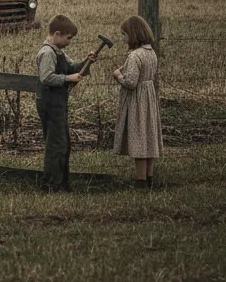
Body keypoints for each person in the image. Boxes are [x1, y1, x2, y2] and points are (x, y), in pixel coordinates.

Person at [36, 15, 98, 192]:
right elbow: (46, 78)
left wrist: (87, 62)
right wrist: (68, 79)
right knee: (56, 144)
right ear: (57, 34)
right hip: (49, 103)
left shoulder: (58, 51)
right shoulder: (48, 53)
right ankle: (51, 185)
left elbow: (72, 68)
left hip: (58, 102)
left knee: (63, 142)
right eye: (68, 38)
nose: (70, 41)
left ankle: (61, 183)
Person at [112, 15, 164, 189]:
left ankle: (141, 181)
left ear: (133, 34)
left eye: (125, 35)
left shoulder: (135, 55)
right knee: (148, 138)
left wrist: (118, 76)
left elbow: (131, 82)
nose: (125, 38)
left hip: (137, 102)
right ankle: (149, 178)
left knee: (139, 140)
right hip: (149, 99)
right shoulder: (151, 53)